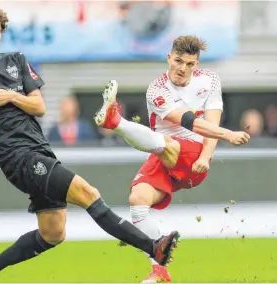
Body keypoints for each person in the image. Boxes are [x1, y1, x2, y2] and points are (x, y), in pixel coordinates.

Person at [0, 3, 180, 284]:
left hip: (41, 151)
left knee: (53, 233)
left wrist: (9, 96)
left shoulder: (17, 61)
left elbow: (39, 106)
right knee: (88, 192)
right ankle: (152, 247)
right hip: (17, 159)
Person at [94, 36, 250, 283]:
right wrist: (229, 134)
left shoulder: (209, 80)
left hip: (193, 156)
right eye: (178, 61)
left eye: (190, 64)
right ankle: (160, 270)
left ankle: (116, 122)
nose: (183, 69)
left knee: (170, 143)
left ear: (196, 64)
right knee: (138, 199)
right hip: (164, 157)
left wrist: (207, 157)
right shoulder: (157, 89)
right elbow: (187, 119)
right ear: (169, 58)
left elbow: (209, 123)